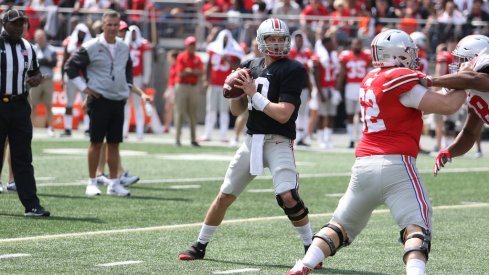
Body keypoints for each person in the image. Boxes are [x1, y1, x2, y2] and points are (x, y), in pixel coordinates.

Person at [286, 29, 467, 275]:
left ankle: (303, 264)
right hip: (397, 165)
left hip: (363, 166)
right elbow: (449, 106)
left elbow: (409, 107)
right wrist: (468, 79)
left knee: (339, 226)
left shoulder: (370, 78)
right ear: (397, 54)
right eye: (409, 52)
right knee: (417, 228)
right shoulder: (400, 80)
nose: (413, 56)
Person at [179, 18, 318, 266]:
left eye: (280, 38)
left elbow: (284, 113)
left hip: (278, 140)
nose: (276, 43)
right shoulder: (249, 66)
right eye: (271, 39)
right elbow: (238, 111)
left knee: (288, 196)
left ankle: (311, 247)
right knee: (225, 195)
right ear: (261, 42)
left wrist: (253, 92)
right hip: (252, 140)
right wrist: (233, 92)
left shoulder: (293, 69)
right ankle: (200, 245)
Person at [65, 10, 133, 197]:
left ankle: (114, 183)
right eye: (109, 24)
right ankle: (92, 181)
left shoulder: (124, 47)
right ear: (102, 25)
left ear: (119, 26)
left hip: (118, 100)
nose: (112, 28)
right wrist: (84, 88)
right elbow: (70, 66)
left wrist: (127, 86)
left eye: (115, 25)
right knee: (96, 142)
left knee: (114, 143)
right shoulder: (91, 46)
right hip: (99, 99)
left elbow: (128, 67)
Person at [0, 9, 50, 216]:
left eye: (23, 23)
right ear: (4, 23)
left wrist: (37, 78)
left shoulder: (28, 47)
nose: (20, 27)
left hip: (20, 105)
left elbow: (34, 72)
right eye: (15, 23)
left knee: (23, 156)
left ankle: (32, 204)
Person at [418, 35, 489, 175]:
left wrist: (431, 80)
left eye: (462, 59)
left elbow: (474, 80)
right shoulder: (472, 86)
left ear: (476, 57)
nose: (458, 64)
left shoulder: (479, 76)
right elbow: (470, 132)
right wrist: (449, 151)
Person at [95, 20, 146, 188]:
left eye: (123, 29)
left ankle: (106, 173)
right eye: (119, 29)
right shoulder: (99, 47)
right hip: (102, 98)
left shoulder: (121, 50)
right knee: (104, 140)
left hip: (115, 98)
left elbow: (126, 79)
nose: (122, 33)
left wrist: (141, 93)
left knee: (109, 141)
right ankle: (108, 174)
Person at [201, 29, 244, 143]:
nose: (225, 40)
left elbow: (238, 65)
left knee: (224, 111)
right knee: (210, 110)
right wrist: (206, 79)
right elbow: (209, 64)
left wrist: (229, 60)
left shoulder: (233, 51)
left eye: (227, 38)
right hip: (214, 83)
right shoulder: (213, 49)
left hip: (226, 85)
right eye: (223, 38)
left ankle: (223, 135)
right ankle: (207, 134)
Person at [336, 38, 371, 148]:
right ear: (351, 45)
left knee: (362, 114)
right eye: (355, 44)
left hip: (362, 86)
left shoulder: (366, 56)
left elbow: (370, 72)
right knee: (350, 114)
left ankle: (361, 139)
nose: (357, 46)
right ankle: (351, 139)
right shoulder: (346, 56)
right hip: (350, 87)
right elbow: (342, 74)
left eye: (359, 44)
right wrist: (338, 88)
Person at [60, 23, 93, 137]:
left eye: (83, 33)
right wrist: (61, 77)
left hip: (84, 77)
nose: (81, 34)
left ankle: (88, 128)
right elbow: (64, 60)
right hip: (71, 77)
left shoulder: (89, 44)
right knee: (69, 103)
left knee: (87, 103)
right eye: (80, 32)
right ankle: (67, 128)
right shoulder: (69, 41)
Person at [123, 24, 152, 140]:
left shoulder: (143, 45)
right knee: (125, 106)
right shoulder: (124, 45)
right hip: (126, 78)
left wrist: (146, 80)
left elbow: (147, 63)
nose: (133, 35)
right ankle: (123, 131)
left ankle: (140, 132)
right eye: (132, 32)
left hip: (138, 77)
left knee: (138, 105)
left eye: (135, 32)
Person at [174, 36, 204, 147]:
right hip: (182, 86)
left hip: (193, 86)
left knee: (193, 114)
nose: (192, 47)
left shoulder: (197, 58)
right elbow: (180, 73)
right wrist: (193, 71)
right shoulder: (181, 57)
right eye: (190, 45)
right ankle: (177, 138)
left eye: (193, 45)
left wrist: (189, 71)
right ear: (186, 46)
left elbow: (200, 72)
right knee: (180, 113)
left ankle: (193, 139)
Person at [312, 36, 341, 149]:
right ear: (326, 44)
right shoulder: (319, 57)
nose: (333, 45)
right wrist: (320, 92)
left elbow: (338, 74)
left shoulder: (334, 56)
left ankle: (328, 138)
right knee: (322, 114)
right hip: (323, 88)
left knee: (331, 115)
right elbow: (316, 76)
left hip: (332, 88)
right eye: (331, 43)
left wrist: (337, 90)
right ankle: (321, 139)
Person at [30, 29, 57, 138]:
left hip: (47, 80)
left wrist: (41, 61)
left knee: (49, 106)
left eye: (42, 37)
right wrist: (45, 60)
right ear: (35, 38)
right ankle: (30, 127)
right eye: (38, 37)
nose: (40, 39)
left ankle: (51, 128)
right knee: (33, 106)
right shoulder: (32, 49)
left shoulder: (51, 49)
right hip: (35, 81)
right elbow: (32, 64)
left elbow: (53, 63)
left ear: (45, 37)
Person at [289, 30, 313, 146]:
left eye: (301, 39)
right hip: (292, 86)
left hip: (303, 86)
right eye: (297, 39)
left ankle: (301, 136)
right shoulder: (290, 53)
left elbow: (308, 72)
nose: (299, 42)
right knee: (292, 111)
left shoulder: (307, 53)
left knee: (303, 112)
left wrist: (310, 87)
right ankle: (292, 134)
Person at [163, 50, 178, 134]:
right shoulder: (171, 66)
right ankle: (167, 126)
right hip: (170, 88)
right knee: (167, 108)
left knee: (175, 108)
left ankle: (177, 127)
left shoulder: (178, 66)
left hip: (175, 89)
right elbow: (170, 79)